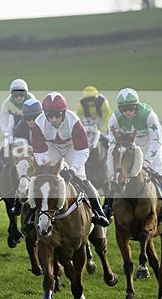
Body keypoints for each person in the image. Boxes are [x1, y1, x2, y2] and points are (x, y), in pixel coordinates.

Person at [27, 92, 110, 227]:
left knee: (81, 177)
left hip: (73, 147)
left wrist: (71, 170)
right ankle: (31, 214)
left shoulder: (74, 121)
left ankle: (99, 212)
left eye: (57, 115)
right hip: (51, 147)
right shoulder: (39, 123)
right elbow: (39, 151)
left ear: (64, 113)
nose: (54, 119)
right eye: (50, 116)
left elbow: (82, 150)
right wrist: (48, 167)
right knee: (41, 177)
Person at [103, 88, 162, 219]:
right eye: (124, 109)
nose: (128, 112)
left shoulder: (149, 115)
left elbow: (156, 141)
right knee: (117, 173)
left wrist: (147, 161)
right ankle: (107, 207)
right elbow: (111, 142)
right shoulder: (115, 117)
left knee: (157, 169)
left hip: (151, 139)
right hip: (129, 141)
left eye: (131, 108)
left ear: (137, 106)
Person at [0, 78, 37, 179]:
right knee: (5, 146)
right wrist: (9, 136)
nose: (19, 98)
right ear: (12, 94)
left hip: (30, 128)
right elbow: (3, 123)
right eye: (16, 95)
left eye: (22, 95)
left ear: (26, 94)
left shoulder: (32, 99)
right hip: (15, 129)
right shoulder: (7, 104)